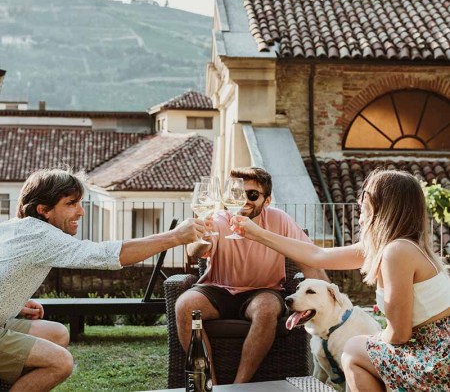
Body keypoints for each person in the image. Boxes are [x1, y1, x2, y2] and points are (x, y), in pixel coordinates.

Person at [232, 169, 450, 392]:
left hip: (438, 358)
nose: (359, 213)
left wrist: (370, 337)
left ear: (381, 208)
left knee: (353, 348)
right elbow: (318, 255)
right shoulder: (396, 247)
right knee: (358, 348)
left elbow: (399, 334)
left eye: (363, 204)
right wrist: (256, 233)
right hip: (432, 349)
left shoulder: (397, 252)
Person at [0, 168, 205, 392]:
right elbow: (107, 254)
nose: (81, 212)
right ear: (44, 210)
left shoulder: (14, 227)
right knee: (60, 363)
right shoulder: (43, 235)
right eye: (71, 203)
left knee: (57, 334)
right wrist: (175, 236)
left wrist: (13, 303)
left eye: (80, 203)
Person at [175, 167, 328, 384]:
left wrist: (333, 298)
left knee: (266, 309)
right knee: (184, 306)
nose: (244, 200)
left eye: (252, 195)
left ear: (267, 200)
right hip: (217, 288)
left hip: (263, 291)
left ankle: (239, 386)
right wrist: (202, 239)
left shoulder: (280, 220)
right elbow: (194, 253)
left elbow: (309, 259)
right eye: (238, 194)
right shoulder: (219, 218)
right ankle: (211, 384)